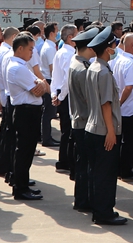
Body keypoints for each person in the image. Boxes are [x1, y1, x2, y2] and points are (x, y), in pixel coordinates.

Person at [84, 28, 126, 225]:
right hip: (103, 130)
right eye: (114, 45)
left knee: (96, 173)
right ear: (108, 49)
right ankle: (104, 213)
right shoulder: (103, 72)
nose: (116, 48)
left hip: (92, 128)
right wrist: (111, 130)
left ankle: (98, 209)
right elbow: (106, 104)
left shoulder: (93, 68)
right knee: (105, 175)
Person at [5, 33, 50, 201]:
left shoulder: (22, 65)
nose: (32, 52)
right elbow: (38, 88)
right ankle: (20, 188)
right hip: (26, 112)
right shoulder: (18, 68)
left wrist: (41, 84)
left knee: (27, 150)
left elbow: (42, 85)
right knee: (24, 151)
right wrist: (41, 85)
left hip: (29, 111)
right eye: (30, 49)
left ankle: (22, 183)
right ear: (20, 48)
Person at [68, 27, 99, 212]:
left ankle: (82, 199)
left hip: (79, 120)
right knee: (87, 165)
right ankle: (84, 200)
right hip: (85, 122)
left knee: (83, 163)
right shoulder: (84, 69)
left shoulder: (77, 63)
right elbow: (91, 99)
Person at [0, 26, 20, 180]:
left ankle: (0, 164)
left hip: (4, 93)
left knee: (5, 133)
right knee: (9, 136)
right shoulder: (8, 53)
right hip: (9, 94)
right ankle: (6, 166)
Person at [114, 34, 133, 180]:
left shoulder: (118, 59)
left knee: (122, 141)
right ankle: (125, 170)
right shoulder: (130, 62)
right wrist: (120, 102)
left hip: (122, 109)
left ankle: (120, 168)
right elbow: (129, 87)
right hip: (129, 108)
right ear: (132, 46)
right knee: (130, 142)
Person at [51, 25, 77, 173]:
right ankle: (67, 160)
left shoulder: (60, 52)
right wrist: (60, 96)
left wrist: (54, 94)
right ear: (70, 38)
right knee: (69, 131)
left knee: (65, 130)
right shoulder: (69, 54)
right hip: (66, 94)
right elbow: (68, 79)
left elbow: (55, 76)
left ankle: (63, 160)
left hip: (61, 93)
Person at [39, 23, 59, 148]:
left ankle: (46, 136)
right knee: (48, 112)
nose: (58, 33)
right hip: (50, 80)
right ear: (51, 33)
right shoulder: (50, 48)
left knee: (48, 112)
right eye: (56, 31)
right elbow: (53, 69)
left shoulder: (48, 46)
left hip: (48, 78)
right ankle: (46, 138)